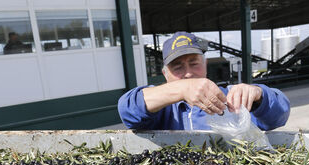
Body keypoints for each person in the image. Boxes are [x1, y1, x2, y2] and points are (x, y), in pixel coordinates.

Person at [118, 31, 290, 131]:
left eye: (194, 64)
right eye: (177, 67)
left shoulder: (230, 99)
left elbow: (279, 115)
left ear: (205, 65)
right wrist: (181, 90)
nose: (188, 74)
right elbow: (128, 110)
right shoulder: (162, 110)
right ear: (165, 74)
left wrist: (259, 94)